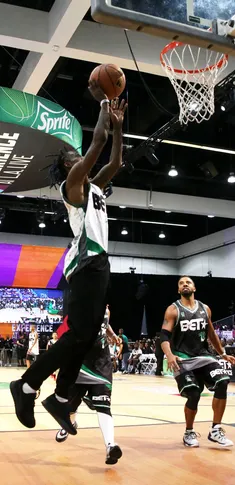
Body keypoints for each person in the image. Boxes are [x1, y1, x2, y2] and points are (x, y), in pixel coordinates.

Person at [10, 82, 127, 435]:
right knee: (79, 334)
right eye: (70, 156)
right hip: (86, 262)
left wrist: (119, 128)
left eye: (76, 155)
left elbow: (115, 159)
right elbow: (97, 146)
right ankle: (28, 385)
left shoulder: (93, 186)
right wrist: (104, 107)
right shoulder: (72, 185)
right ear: (65, 166)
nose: (77, 156)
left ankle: (60, 398)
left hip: (99, 263)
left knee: (84, 335)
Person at [161, 275, 235, 448]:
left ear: (194, 288)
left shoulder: (205, 309)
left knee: (223, 381)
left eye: (188, 282)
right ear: (178, 290)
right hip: (183, 358)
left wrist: (223, 353)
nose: (185, 285)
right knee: (194, 394)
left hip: (204, 356)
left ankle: (216, 429)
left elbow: (211, 333)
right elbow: (164, 336)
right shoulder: (173, 310)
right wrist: (169, 355)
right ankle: (189, 431)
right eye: (181, 283)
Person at [55, 309, 122, 465]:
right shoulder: (79, 304)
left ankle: (110, 446)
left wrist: (112, 335)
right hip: (80, 362)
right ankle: (70, 423)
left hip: (101, 363)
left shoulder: (106, 308)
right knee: (71, 405)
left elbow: (105, 324)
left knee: (104, 405)